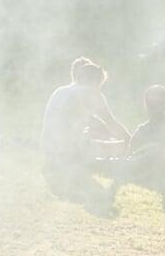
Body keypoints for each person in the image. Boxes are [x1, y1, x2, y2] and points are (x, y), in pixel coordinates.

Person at [40, 57, 130, 204]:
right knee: (119, 146)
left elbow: (87, 122)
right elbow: (111, 123)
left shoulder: (60, 91)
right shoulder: (92, 93)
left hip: (47, 151)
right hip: (68, 154)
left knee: (96, 138)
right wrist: (129, 140)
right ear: (97, 82)